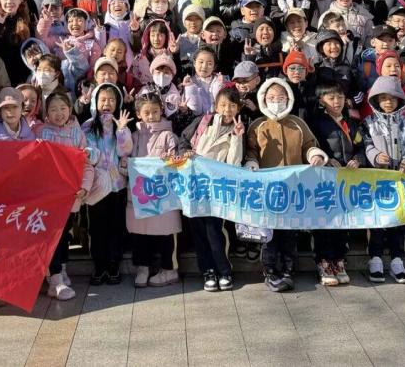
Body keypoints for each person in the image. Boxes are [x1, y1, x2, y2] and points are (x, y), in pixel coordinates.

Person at [245, 78, 328, 292]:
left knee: (289, 233)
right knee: (269, 234)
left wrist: (315, 155)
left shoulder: (298, 123)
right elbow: (251, 150)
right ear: (264, 99)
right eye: (272, 98)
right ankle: (270, 270)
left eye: (281, 97)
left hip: (293, 189)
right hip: (267, 191)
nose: (276, 102)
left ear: (288, 99)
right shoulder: (258, 125)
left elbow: (309, 145)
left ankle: (289, 269)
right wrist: (252, 163)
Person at [178, 88, 245, 292]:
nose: (227, 110)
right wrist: (185, 151)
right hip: (195, 185)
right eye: (223, 105)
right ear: (216, 106)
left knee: (214, 231)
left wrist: (237, 138)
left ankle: (224, 270)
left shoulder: (237, 129)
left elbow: (233, 164)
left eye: (232, 106)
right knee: (199, 232)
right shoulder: (203, 121)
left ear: (238, 108)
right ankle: (207, 271)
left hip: (217, 189)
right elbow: (183, 140)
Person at [364, 76, 405, 283]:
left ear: (400, 99)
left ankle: (397, 260)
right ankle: (375, 259)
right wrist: (375, 156)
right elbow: (364, 144)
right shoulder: (369, 123)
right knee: (377, 222)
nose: (388, 102)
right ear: (376, 100)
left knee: (399, 221)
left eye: (392, 98)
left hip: (402, 182)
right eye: (383, 98)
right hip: (378, 182)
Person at [34, 89, 94, 301]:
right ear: (46, 113)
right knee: (54, 236)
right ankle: (56, 279)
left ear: (70, 109)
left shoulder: (77, 133)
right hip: (48, 196)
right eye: (53, 109)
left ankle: (60, 269)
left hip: (70, 196)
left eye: (62, 108)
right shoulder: (40, 132)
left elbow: (86, 164)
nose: (58, 113)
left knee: (64, 234)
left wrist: (84, 187)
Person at [306, 82, 363, 286]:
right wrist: (327, 158)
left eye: (340, 97)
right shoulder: (315, 123)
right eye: (331, 98)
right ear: (322, 101)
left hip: (347, 180)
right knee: (324, 222)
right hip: (324, 180)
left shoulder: (352, 121)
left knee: (343, 222)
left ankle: (339, 260)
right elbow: (312, 147)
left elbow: (360, 146)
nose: (336, 101)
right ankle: (324, 262)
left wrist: (358, 159)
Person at [127, 92, 181, 288]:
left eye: (155, 112)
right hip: (140, 193)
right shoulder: (134, 136)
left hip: (162, 192)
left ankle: (169, 269)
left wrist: (170, 161)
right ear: (138, 114)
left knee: (166, 232)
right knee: (140, 233)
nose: (151, 116)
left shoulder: (168, 135)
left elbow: (176, 161)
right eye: (147, 112)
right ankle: (143, 267)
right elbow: (124, 156)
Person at [82, 84, 133, 285]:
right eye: (103, 99)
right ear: (95, 102)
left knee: (116, 226)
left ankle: (113, 264)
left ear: (118, 103)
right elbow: (89, 152)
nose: (107, 103)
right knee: (97, 227)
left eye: (111, 100)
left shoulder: (120, 123)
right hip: (97, 185)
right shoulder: (88, 126)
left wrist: (121, 131)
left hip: (117, 184)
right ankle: (99, 264)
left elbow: (124, 151)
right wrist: (90, 154)